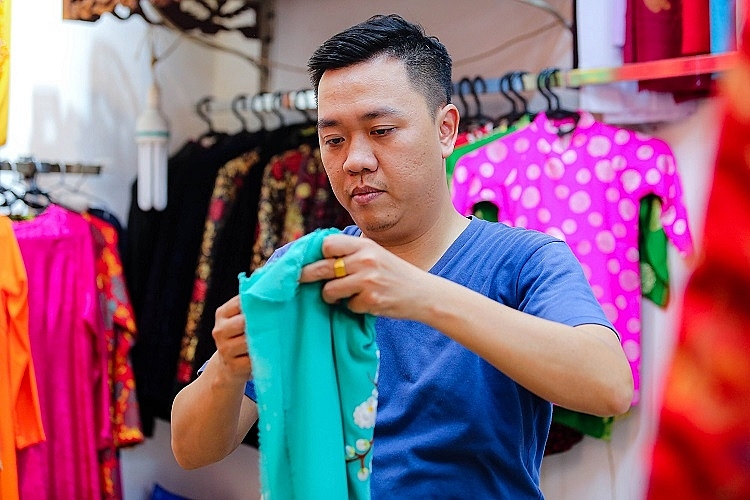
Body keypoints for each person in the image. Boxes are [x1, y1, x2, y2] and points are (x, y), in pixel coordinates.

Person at [171, 14, 634, 498]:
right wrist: (229, 366)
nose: (355, 160)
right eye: (333, 140)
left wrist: (416, 293)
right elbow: (191, 449)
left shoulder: (524, 261)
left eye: (382, 130)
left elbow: (608, 385)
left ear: (445, 130)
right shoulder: (304, 267)